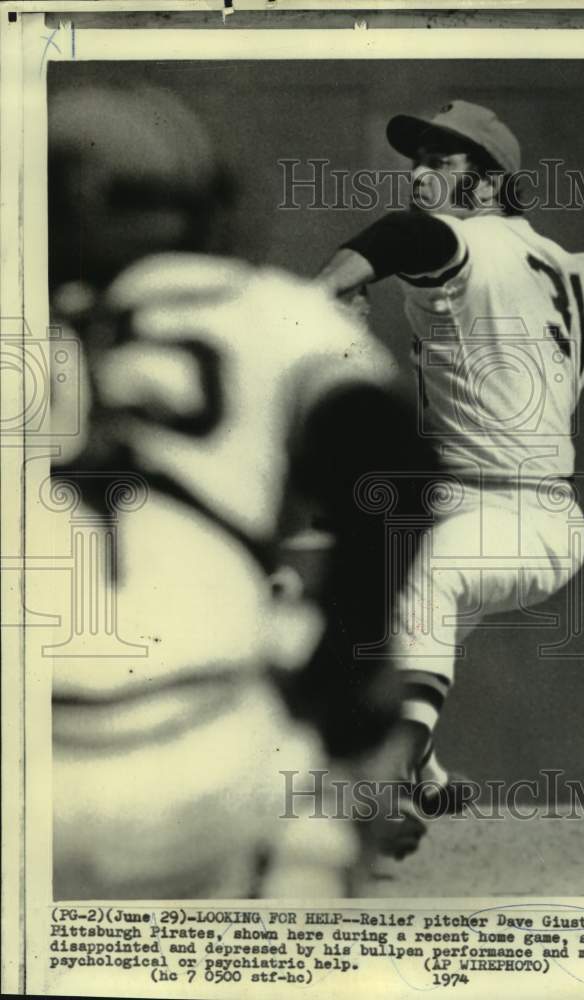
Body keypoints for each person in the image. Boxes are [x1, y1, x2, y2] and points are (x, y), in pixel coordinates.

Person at [47, 83, 433, 897]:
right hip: (200, 755)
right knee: (319, 670)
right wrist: (344, 673)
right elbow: (392, 462)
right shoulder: (265, 307)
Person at [316, 99, 584, 855]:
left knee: (418, 584)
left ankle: (387, 781)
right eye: (417, 160)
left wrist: (330, 284)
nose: (420, 175)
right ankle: (428, 776)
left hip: (511, 515)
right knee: (365, 638)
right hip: (488, 516)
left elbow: (404, 235)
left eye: (443, 161)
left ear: (490, 184)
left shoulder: (460, 246)